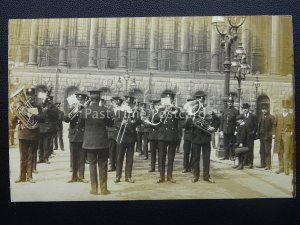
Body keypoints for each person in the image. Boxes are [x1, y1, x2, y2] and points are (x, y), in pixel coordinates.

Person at [78, 90, 112, 195]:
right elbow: (110, 124)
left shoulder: (85, 111)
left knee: (92, 165)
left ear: (90, 99)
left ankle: (93, 189)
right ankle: (103, 189)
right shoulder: (105, 110)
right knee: (103, 165)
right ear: (99, 98)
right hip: (102, 142)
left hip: (89, 142)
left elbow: (80, 125)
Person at [12, 88, 44, 183]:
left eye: (31, 95)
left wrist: (32, 114)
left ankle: (29, 176)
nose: (29, 97)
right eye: (27, 95)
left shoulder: (37, 107)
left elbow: (42, 118)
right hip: (22, 134)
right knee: (22, 157)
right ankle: (21, 177)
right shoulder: (20, 107)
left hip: (33, 134)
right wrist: (15, 114)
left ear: (34, 96)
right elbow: (13, 122)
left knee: (31, 156)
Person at [188, 93, 220, 183]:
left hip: (206, 137)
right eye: (199, 100)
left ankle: (206, 176)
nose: (201, 101)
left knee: (206, 158)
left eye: (202, 100)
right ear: (196, 100)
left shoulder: (208, 109)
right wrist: (191, 118)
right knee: (196, 158)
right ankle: (196, 176)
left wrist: (213, 127)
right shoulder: (192, 110)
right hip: (195, 137)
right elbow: (188, 124)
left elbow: (217, 119)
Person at [154, 92, 181, 183]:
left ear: (173, 100)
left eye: (170, 99)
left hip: (172, 136)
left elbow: (181, 119)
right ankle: (161, 176)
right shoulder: (160, 109)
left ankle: (170, 176)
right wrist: (164, 112)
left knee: (171, 158)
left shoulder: (176, 109)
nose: (169, 101)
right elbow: (155, 119)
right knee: (161, 157)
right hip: (162, 136)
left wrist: (175, 111)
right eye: (167, 99)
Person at [114, 96, 141, 183]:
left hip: (131, 137)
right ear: (124, 103)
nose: (128, 104)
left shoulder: (134, 112)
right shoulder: (119, 111)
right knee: (119, 158)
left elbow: (139, 122)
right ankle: (118, 176)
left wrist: (136, 121)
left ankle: (128, 176)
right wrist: (121, 124)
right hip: (121, 136)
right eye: (127, 103)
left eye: (130, 103)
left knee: (130, 158)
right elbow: (115, 122)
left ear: (132, 104)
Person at [64, 92, 88, 183]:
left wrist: (82, 109)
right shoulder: (72, 109)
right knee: (73, 157)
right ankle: (74, 177)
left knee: (82, 157)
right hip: (73, 135)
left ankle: (81, 176)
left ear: (84, 100)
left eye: (81, 100)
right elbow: (65, 119)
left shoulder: (86, 110)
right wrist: (74, 111)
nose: (79, 101)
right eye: (78, 99)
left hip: (82, 135)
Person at [274, 100, 294, 175]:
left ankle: (286, 169)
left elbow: (294, 126)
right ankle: (281, 168)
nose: (285, 109)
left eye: (287, 107)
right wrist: (274, 133)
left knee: (287, 152)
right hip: (279, 135)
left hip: (287, 136)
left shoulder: (291, 116)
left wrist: (292, 132)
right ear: (282, 108)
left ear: (288, 108)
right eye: (284, 107)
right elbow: (274, 125)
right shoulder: (278, 116)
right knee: (279, 151)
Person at [38, 94, 58, 164]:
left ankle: (45, 158)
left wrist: (48, 110)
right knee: (40, 144)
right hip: (40, 127)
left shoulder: (51, 106)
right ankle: (40, 158)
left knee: (46, 144)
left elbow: (56, 115)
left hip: (47, 128)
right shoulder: (39, 105)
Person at [219, 95, 239, 160]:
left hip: (232, 130)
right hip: (225, 130)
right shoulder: (224, 111)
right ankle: (226, 156)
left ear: (232, 103)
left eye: (231, 102)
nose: (230, 103)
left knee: (232, 144)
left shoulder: (236, 111)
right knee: (225, 144)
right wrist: (221, 130)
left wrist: (236, 130)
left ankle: (232, 156)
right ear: (227, 103)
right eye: (229, 102)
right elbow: (222, 121)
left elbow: (237, 122)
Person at [257, 103, 275, 170]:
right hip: (261, 136)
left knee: (267, 150)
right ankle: (262, 164)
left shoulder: (271, 117)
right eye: (263, 109)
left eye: (265, 109)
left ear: (268, 110)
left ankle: (268, 165)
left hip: (267, 136)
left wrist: (272, 134)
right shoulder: (261, 116)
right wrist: (258, 134)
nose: (264, 111)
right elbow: (259, 125)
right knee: (262, 150)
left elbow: (273, 127)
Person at [107, 96, 122, 172]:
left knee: (119, 150)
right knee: (111, 150)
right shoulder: (109, 111)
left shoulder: (122, 110)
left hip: (119, 132)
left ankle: (118, 165)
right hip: (111, 132)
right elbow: (107, 122)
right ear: (112, 102)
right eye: (113, 101)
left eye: (117, 101)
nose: (115, 103)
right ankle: (111, 165)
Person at [241, 103, 257, 169]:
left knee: (250, 149)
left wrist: (253, 132)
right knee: (244, 149)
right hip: (243, 136)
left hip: (250, 136)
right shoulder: (241, 116)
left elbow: (256, 126)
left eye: (246, 108)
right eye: (244, 108)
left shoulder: (252, 116)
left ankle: (250, 163)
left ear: (248, 109)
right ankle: (245, 162)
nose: (245, 110)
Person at [146, 99, 161, 172]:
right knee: (152, 153)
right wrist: (147, 123)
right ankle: (152, 167)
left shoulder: (161, 113)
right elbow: (147, 122)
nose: (157, 106)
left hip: (159, 135)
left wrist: (150, 124)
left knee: (160, 153)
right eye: (156, 105)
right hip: (152, 135)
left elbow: (160, 124)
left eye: (158, 105)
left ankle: (160, 167)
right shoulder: (151, 113)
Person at [182, 98, 194, 173]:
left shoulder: (195, 115)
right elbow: (182, 125)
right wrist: (187, 119)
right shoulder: (184, 116)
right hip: (187, 136)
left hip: (194, 136)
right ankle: (186, 167)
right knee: (186, 152)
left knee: (194, 152)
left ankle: (192, 166)